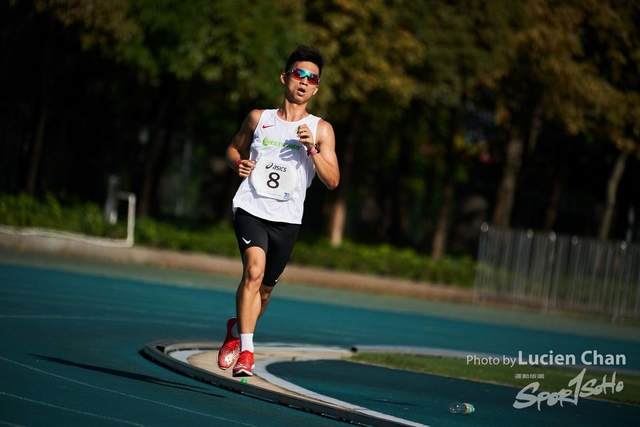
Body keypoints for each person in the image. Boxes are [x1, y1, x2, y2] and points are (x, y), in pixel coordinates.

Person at [217, 45, 340, 377]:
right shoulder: (260, 118)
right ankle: (246, 351)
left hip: (287, 219)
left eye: (311, 78)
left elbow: (332, 180)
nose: (304, 82)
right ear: (285, 78)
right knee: (253, 273)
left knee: (266, 289)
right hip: (251, 207)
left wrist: (311, 149)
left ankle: (236, 330)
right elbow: (233, 148)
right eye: (299, 74)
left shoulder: (321, 129)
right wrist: (237, 163)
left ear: (316, 88)